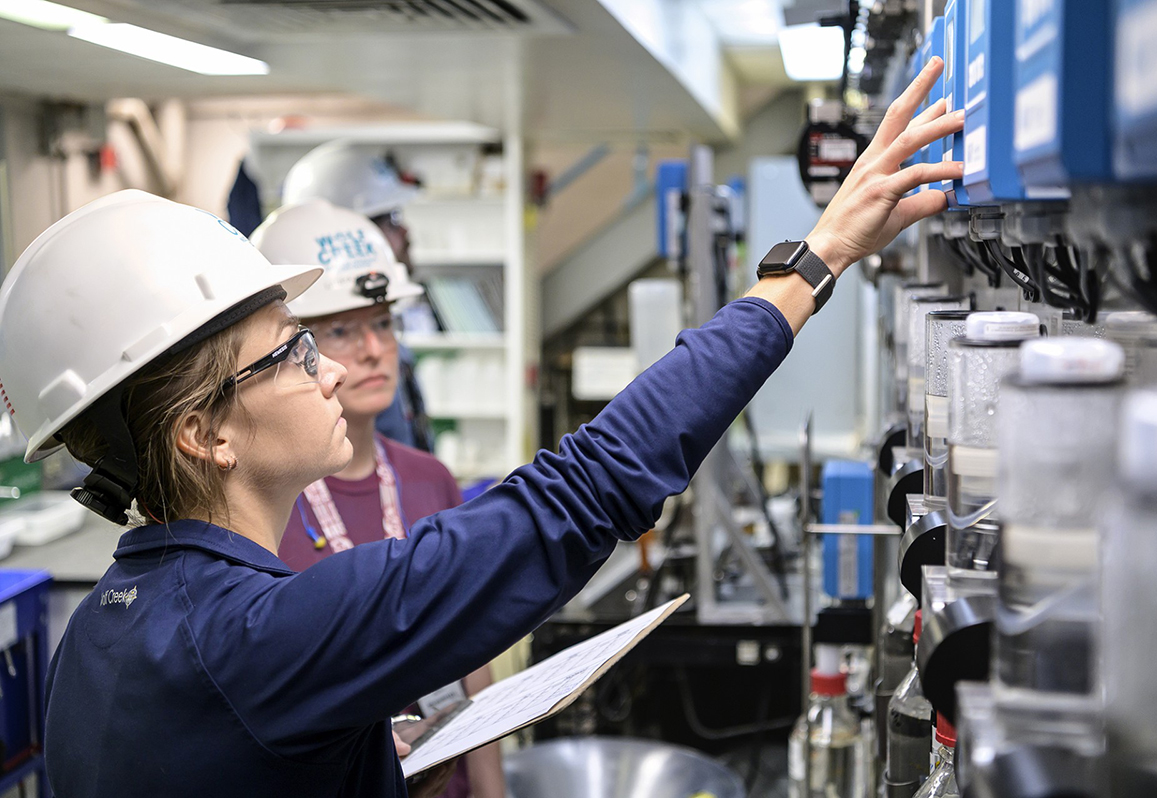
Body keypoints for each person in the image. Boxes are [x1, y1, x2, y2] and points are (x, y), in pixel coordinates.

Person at [0, 59, 961, 797]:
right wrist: (811, 265)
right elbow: (579, 491)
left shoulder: (100, 632)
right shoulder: (257, 638)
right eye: (294, 349)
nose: (334, 364)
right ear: (202, 436)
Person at [251, 198, 506, 798]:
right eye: (341, 329)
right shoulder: (261, 507)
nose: (373, 349)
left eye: (384, 322)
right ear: (292, 346)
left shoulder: (431, 480)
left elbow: (473, 658)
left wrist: (494, 790)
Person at [282, 139, 433, 450]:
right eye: (390, 218)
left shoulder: (388, 353)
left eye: (382, 323)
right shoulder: (333, 367)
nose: (404, 232)